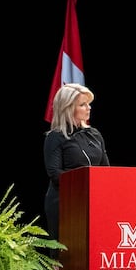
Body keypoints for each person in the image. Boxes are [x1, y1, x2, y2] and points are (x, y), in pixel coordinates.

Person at [43, 82, 110, 240]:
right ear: (68, 108)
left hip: (94, 201)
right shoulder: (55, 137)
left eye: (89, 104)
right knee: (66, 254)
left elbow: (106, 170)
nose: (89, 108)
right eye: (83, 104)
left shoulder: (95, 134)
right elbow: (54, 173)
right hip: (65, 203)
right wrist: (86, 182)